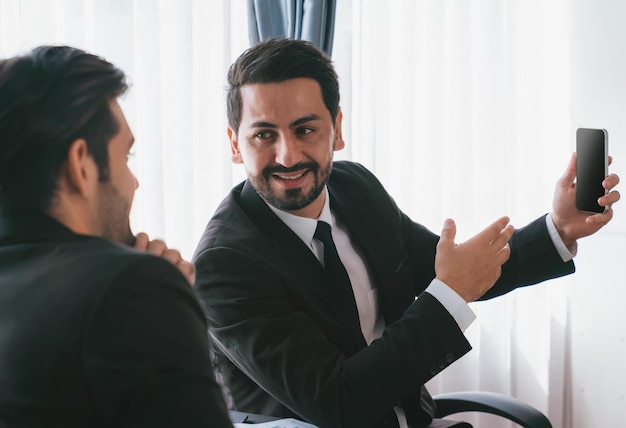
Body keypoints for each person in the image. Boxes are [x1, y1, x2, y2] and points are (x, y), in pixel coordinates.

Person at [192, 38, 620, 428]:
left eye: (305, 129)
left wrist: (559, 228)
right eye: (264, 134)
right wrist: (450, 294)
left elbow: (454, 270)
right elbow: (338, 403)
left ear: (337, 130)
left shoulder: (355, 187)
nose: (287, 155)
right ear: (235, 144)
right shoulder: (224, 263)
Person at [0, 46, 233, 428]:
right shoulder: (135, 288)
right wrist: (166, 302)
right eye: (127, 156)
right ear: (81, 165)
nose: (135, 182)